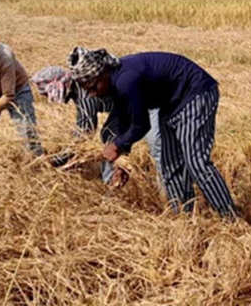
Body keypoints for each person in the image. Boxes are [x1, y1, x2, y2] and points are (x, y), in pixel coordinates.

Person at [67, 47, 237, 218]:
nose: (94, 93)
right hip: (169, 102)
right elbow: (126, 120)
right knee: (170, 166)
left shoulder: (126, 79)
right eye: (88, 90)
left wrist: (117, 146)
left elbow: (141, 124)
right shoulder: (113, 84)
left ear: (103, 73)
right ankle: (185, 218)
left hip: (194, 91)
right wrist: (122, 161)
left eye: (94, 86)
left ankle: (230, 217)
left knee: (196, 161)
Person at [31, 66, 163, 183]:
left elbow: (85, 130)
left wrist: (59, 159)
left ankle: (167, 189)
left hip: (148, 100)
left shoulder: (84, 94)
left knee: (156, 144)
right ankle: (110, 179)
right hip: (124, 105)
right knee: (108, 134)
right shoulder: (79, 88)